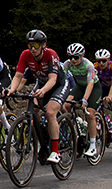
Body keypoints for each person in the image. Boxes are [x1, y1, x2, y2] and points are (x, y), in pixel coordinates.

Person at [6, 29, 71, 164]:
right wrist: (12, 89)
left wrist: (43, 91)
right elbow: (18, 75)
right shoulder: (25, 55)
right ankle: (43, 136)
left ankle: (55, 152)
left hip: (58, 84)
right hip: (42, 84)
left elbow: (53, 79)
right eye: (30, 46)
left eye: (36, 45)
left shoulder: (51, 55)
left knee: (50, 112)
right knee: (32, 110)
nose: (32, 49)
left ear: (43, 45)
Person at [61, 43, 98, 158]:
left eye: (76, 57)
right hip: (80, 86)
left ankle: (93, 145)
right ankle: (77, 124)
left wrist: (85, 100)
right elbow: (60, 78)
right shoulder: (67, 64)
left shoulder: (89, 65)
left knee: (90, 114)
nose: (73, 60)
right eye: (70, 57)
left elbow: (90, 84)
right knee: (66, 105)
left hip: (94, 87)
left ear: (82, 56)